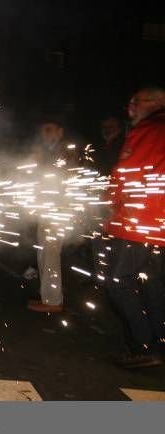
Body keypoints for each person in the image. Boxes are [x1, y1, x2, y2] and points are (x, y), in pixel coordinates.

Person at [103, 87, 165, 369]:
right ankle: (158, 345)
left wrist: (108, 201)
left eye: (135, 101)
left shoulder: (149, 129)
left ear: (155, 103)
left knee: (118, 281)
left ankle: (143, 346)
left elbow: (126, 174)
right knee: (152, 286)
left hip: (140, 223)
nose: (130, 107)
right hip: (159, 227)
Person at [26, 117, 80, 313]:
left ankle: (53, 300)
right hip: (47, 208)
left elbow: (65, 175)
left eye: (49, 129)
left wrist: (40, 162)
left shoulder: (66, 150)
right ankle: (47, 297)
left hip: (58, 210)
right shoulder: (46, 152)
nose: (44, 134)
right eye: (43, 130)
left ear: (60, 131)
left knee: (50, 254)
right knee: (44, 252)